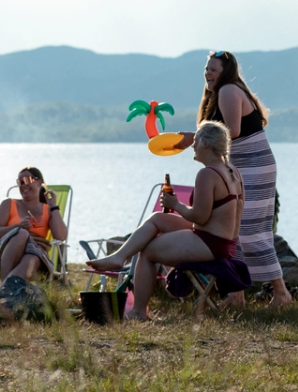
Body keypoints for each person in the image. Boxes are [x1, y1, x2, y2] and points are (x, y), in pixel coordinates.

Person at [86, 121, 243, 321]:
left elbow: (199, 217)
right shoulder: (232, 171)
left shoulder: (207, 174)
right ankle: (119, 256)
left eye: (195, 141)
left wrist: (175, 204)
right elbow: (213, 218)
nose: (192, 146)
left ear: (206, 145)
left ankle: (138, 312)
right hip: (224, 242)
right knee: (158, 218)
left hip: (211, 243)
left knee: (148, 251)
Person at [175, 51, 291, 306]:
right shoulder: (220, 93)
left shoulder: (228, 90)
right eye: (206, 69)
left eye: (213, 69)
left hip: (253, 165)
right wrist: (193, 137)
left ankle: (281, 294)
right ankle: (236, 294)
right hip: (241, 166)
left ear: (225, 72)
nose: (208, 73)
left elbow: (233, 132)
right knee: (234, 230)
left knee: (250, 231)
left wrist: (195, 137)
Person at [0, 166, 68, 300]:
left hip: (35, 254)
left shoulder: (48, 209)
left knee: (32, 258)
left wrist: (53, 206)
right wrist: (18, 226)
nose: (23, 185)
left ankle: (2, 297)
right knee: (22, 234)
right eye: (20, 182)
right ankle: (5, 294)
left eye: (27, 179)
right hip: (5, 254)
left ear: (39, 182)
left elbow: (60, 237)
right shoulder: (9, 204)